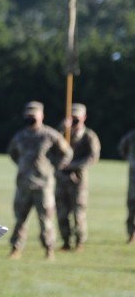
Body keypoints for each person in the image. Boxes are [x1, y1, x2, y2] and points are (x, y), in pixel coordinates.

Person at [7, 101, 73, 260]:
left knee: (46, 220)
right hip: (23, 184)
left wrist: (55, 166)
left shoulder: (50, 135)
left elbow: (67, 153)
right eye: (28, 115)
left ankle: (49, 249)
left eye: (34, 115)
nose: (31, 118)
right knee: (20, 219)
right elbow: (12, 153)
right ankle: (16, 248)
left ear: (41, 116)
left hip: (43, 185)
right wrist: (23, 166)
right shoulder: (20, 136)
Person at [55, 103, 101, 252]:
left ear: (84, 117)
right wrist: (62, 128)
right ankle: (66, 241)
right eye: (72, 118)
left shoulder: (89, 136)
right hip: (61, 180)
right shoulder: (62, 133)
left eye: (77, 118)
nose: (74, 121)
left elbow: (93, 157)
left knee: (78, 214)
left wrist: (72, 165)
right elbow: (51, 143)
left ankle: (80, 241)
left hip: (78, 181)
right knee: (61, 213)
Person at [118, 126, 135, 244]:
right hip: (133, 178)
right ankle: (131, 234)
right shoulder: (131, 136)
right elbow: (122, 148)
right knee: (132, 206)